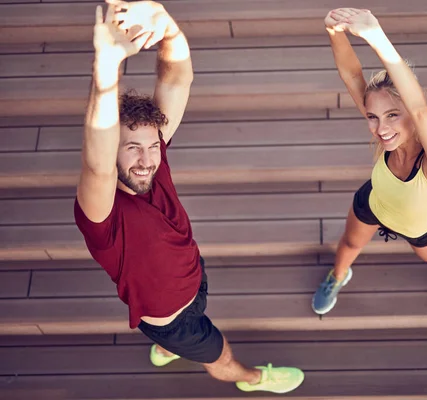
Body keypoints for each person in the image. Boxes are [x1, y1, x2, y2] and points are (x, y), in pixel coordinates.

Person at [73, 0, 303, 393]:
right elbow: (95, 161)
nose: (147, 159)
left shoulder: (154, 160)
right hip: (174, 322)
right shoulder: (101, 214)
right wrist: (106, 66)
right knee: (223, 358)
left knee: (200, 304)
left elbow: (177, 80)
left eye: (152, 145)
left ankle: (165, 350)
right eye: (131, 147)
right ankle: (252, 380)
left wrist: (167, 27)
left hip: (194, 276)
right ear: (113, 149)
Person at [312, 8, 427, 325]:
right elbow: (351, 74)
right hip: (373, 203)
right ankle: (337, 276)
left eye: (393, 115)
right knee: (350, 243)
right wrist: (334, 32)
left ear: (409, 113)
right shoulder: (385, 139)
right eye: (373, 117)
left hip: (419, 229)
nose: (381, 128)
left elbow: (420, 110)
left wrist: (376, 36)